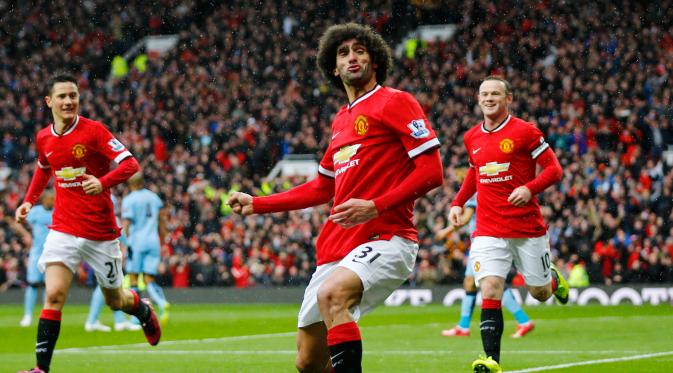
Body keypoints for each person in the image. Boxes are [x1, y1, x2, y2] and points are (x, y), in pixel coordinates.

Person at [228, 23, 443, 373]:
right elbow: (321, 188)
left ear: (374, 60)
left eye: (360, 50)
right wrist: (258, 203)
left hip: (386, 236)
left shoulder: (395, 102)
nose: (352, 57)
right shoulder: (340, 122)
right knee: (308, 362)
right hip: (336, 248)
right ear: (333, 67)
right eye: (343, 53)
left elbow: (432, 172)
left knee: (333, 296)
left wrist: (375, 205)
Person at [15, 73, 161, 373]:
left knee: (115, 300)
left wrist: (103, 182)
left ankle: (142, 309)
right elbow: (44, 168)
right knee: (54, 295)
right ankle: (41, 368)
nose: (68, 101)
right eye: (62, 96)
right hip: (63, 229)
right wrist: (29, 200)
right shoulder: (43, 137)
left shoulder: (94, 131)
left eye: (73, 96)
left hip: (100, 233)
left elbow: (131, 164)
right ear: (49, 101)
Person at [449, 76, 569, 373]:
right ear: (478, 99)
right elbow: (474, 173)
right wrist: (458, 201)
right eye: (484, 94)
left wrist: (530, 189)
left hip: (526, 228)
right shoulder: (471, 137)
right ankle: (491, 360)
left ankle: (551, 279)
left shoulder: (525, 132)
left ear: (508, 98)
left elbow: (555, 170)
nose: (489, 98)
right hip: (488, 229)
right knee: (490, 288)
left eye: (495, 94)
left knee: (539, 294)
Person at [438, 195, 534, 338]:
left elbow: (464, 219)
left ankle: (523, 321)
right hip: (488, 240)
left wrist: (446, 231)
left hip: (483, 243)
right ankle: (463, 326)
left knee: (492, 283)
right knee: (471, 283)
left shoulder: (478, 191)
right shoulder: (490, 188)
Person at [84, 195, 142, 332]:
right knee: (106, 286)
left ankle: (118, 320)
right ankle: (92, 321)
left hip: (96, 254)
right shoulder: (111, 218)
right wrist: (125, 251)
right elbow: (123, 239)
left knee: (111, 286)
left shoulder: (93, 218)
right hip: (106, 255)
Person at [122, 173, 170, 324]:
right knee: (149, 278)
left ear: (130, 185)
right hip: (152, 241)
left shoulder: (129, 200)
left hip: (136, 242)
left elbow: (127, 224)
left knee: (133, 278)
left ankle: (136, 318)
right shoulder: (154, 198)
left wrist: (124, 244)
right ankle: (162, 303)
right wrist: (162, 242)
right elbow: (161, 221)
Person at [17, 192, 54, 327]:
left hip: (52, 253)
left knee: (49, 285)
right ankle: (27, 315)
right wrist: (26, 235)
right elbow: (17, 222)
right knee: (32, 283)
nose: (53, 201)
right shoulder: (36, 212)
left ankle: (46, 315)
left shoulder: (57, 211)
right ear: (44, 200)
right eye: (51, 198)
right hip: (37, 253)